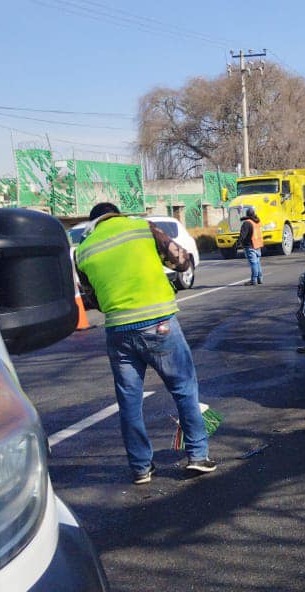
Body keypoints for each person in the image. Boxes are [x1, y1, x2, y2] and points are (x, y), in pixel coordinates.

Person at [75, 202, 217, 485]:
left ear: (94, 223)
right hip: (159, 323)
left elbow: (91, 299)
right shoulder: (141, 228)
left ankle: (140, 468)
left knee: (129, 401)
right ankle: (198, 456)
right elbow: (181, 261)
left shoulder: (83, 250)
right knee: (183, 387)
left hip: (118, 330)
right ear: (116, 214)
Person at [239, 207, 263, 285]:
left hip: (250, 245)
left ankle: (253, 280)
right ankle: (260, 279)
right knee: (257, 262)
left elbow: (243, 235)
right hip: (258, 245)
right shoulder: (257, 222)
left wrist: (237, 244)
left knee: (253, 263)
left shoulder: (247, 223)